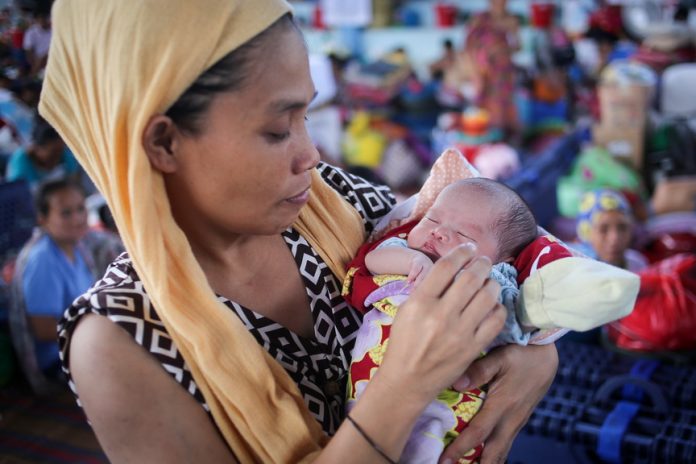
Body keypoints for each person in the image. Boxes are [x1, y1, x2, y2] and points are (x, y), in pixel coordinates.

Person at [38, 1, 560, 463]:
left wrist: (536, 358)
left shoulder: (326, 200)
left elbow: (510, 258)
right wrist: (402, 388)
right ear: (164, 143)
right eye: (276, 129)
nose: (309, 154)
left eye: (307, 115)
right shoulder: (117, 342)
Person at [345, 178, 639, 462]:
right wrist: (412, 261)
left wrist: (539, 340)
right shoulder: (402, 250)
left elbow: (517, 322)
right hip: (370, 410)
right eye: (432, 220)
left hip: (452, 401)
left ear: (501, 263)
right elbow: (372, 260)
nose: (439, 233)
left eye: (465, 235)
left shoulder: (493, 281)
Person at [9, 178, 94, 393]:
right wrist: (100, 333)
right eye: (66, 213)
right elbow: (44, 330)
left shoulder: (76, 247)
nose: (77, 218)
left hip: (83, 341)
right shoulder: (43, 260)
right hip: (58, 360)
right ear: (43, 219)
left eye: (81, 209)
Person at [464, 0, 521, 140]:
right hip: (483, 70)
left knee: (503, 105)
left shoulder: (511, 20)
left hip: (503, 71)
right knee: (484, 104)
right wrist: (476, 69)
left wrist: (501, 49)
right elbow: (468, 45)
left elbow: (519, 46)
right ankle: (484, 140)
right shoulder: (479, 19)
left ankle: (502, 139)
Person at [574, 189, 648, 272]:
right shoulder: (579, 271)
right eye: (603, 229)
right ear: (587, 233)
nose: (614, 238)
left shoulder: (637, 264)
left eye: (622, 227)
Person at [5, 115, 81, 191]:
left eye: (60, 150)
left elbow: (74, 180)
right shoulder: (20, 163)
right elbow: (18, 193)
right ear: (37, 149)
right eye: (53, 152)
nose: (58, 156)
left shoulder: (63, 153)